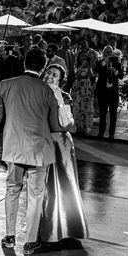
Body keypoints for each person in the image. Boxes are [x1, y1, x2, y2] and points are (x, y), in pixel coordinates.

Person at [0, 48, 64, 255]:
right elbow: (55, 126)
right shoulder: (46, 90)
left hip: (14, 147)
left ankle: (9, 236)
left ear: (25, 62)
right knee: (35, 194)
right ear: (42, 67)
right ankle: (30, 241)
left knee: (12, 189)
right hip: (39, 150)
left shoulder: (5, 85)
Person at [39, 63, 89, 243]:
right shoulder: (37, 93)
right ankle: (47, 228)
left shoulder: (65, 96)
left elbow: (67, 124)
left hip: (62, 145)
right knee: (44, 186)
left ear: (61, 80)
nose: (50, 76)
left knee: (66, 184)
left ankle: (70, 226)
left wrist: (58, 102)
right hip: (43, 143)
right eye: (49, 72)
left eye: (55, 75)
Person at [95, 46, 124, 139]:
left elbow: (121, 76)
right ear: (103, 53)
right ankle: (101, 132)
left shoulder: (117, 63)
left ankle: (111, 133)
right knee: (102, 114)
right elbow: (96, 70)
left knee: (113, 114)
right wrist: (105, 62)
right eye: (106, 52)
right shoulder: (100, 62)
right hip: (103, 91)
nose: (108, 54)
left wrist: (115, 71)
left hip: (113, 92)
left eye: (110, 52)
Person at [70, 52, 95, 135]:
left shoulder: (89, 67)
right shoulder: (77, 66)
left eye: (84, 57)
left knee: (85, 107)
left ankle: (84, 126)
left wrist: (88, 66)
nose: (83, 58)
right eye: (81, 57)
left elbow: (91, 76)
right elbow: (76, 74)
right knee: (78, 106)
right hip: (78, 87)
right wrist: (81, 66)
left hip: (86, 87)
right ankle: (78, 126)